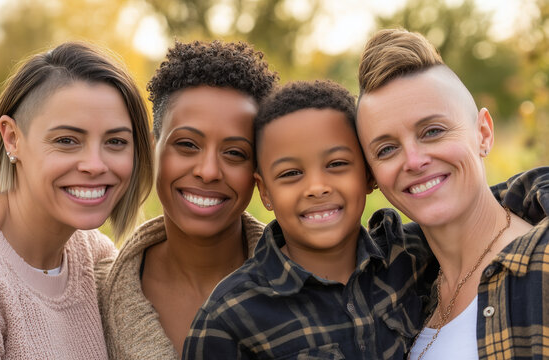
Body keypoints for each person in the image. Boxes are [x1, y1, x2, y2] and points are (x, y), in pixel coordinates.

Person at [0, 42, 153, 359]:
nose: (95, 164)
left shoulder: (94, 258)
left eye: (116, 141)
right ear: (12, 138)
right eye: (66, 141)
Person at [182, 80, 439, 359]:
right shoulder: (229, 319)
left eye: (336, 164)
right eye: (291, 173)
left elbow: (485, 208)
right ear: (265, 192)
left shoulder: (415, 254)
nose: (317, 187)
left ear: (368, 174)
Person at [356, 28, 549, 359]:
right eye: (387, 149)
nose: (414, 161)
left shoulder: (540, 267)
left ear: (483, 134)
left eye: (433, 131)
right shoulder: (404, 291)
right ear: (372, 176)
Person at [95, 40, 278, 359]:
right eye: (187, 145)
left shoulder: (309, 286)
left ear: (259, 167)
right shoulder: (93, 297)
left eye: (235, 153)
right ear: (152, 149)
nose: (208, 172)